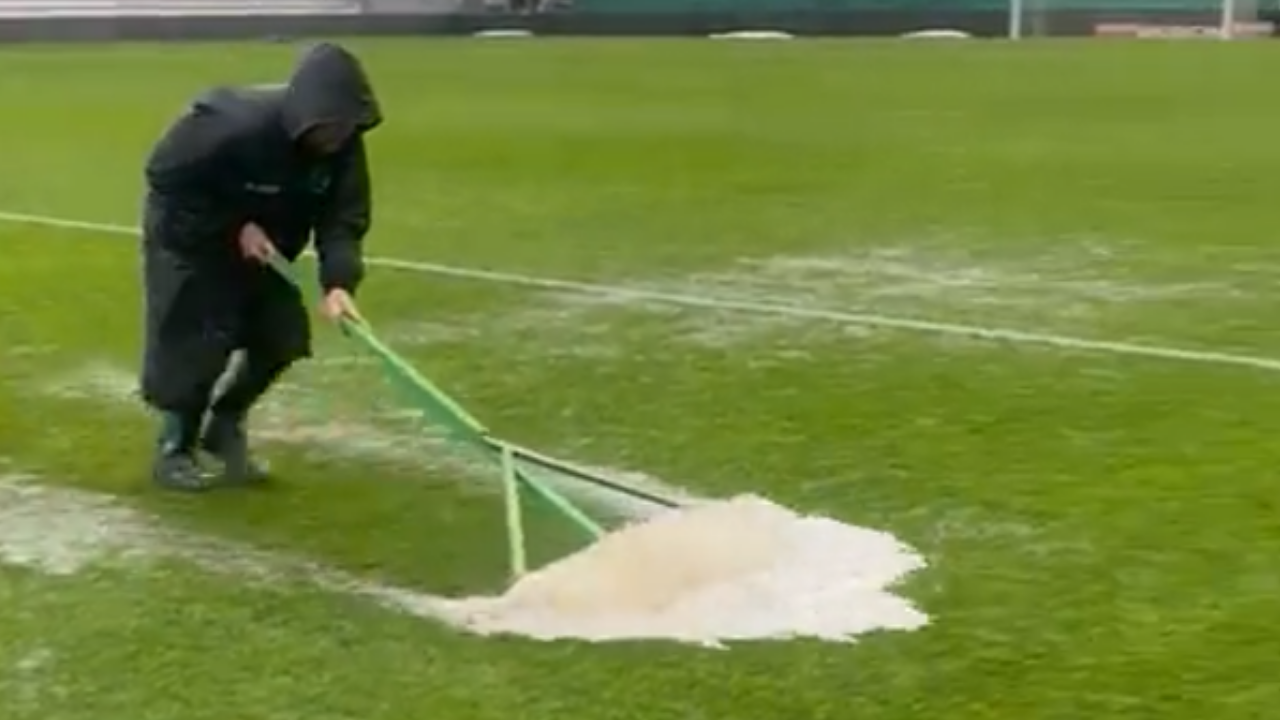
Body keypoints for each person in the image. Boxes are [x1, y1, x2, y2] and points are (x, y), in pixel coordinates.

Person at [139, 41, 383, 491]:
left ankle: (224, 425)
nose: (337, 139)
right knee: (199, 342)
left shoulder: (343, 148)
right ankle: (174, 448)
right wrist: (232, 225)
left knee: (281, 335)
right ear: (305, 115)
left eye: (346, 129)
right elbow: (164, 175)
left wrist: (339, 283)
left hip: (270, 247)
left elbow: (343, 217)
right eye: (329, 128)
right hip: (192, 237)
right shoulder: (232, 125)